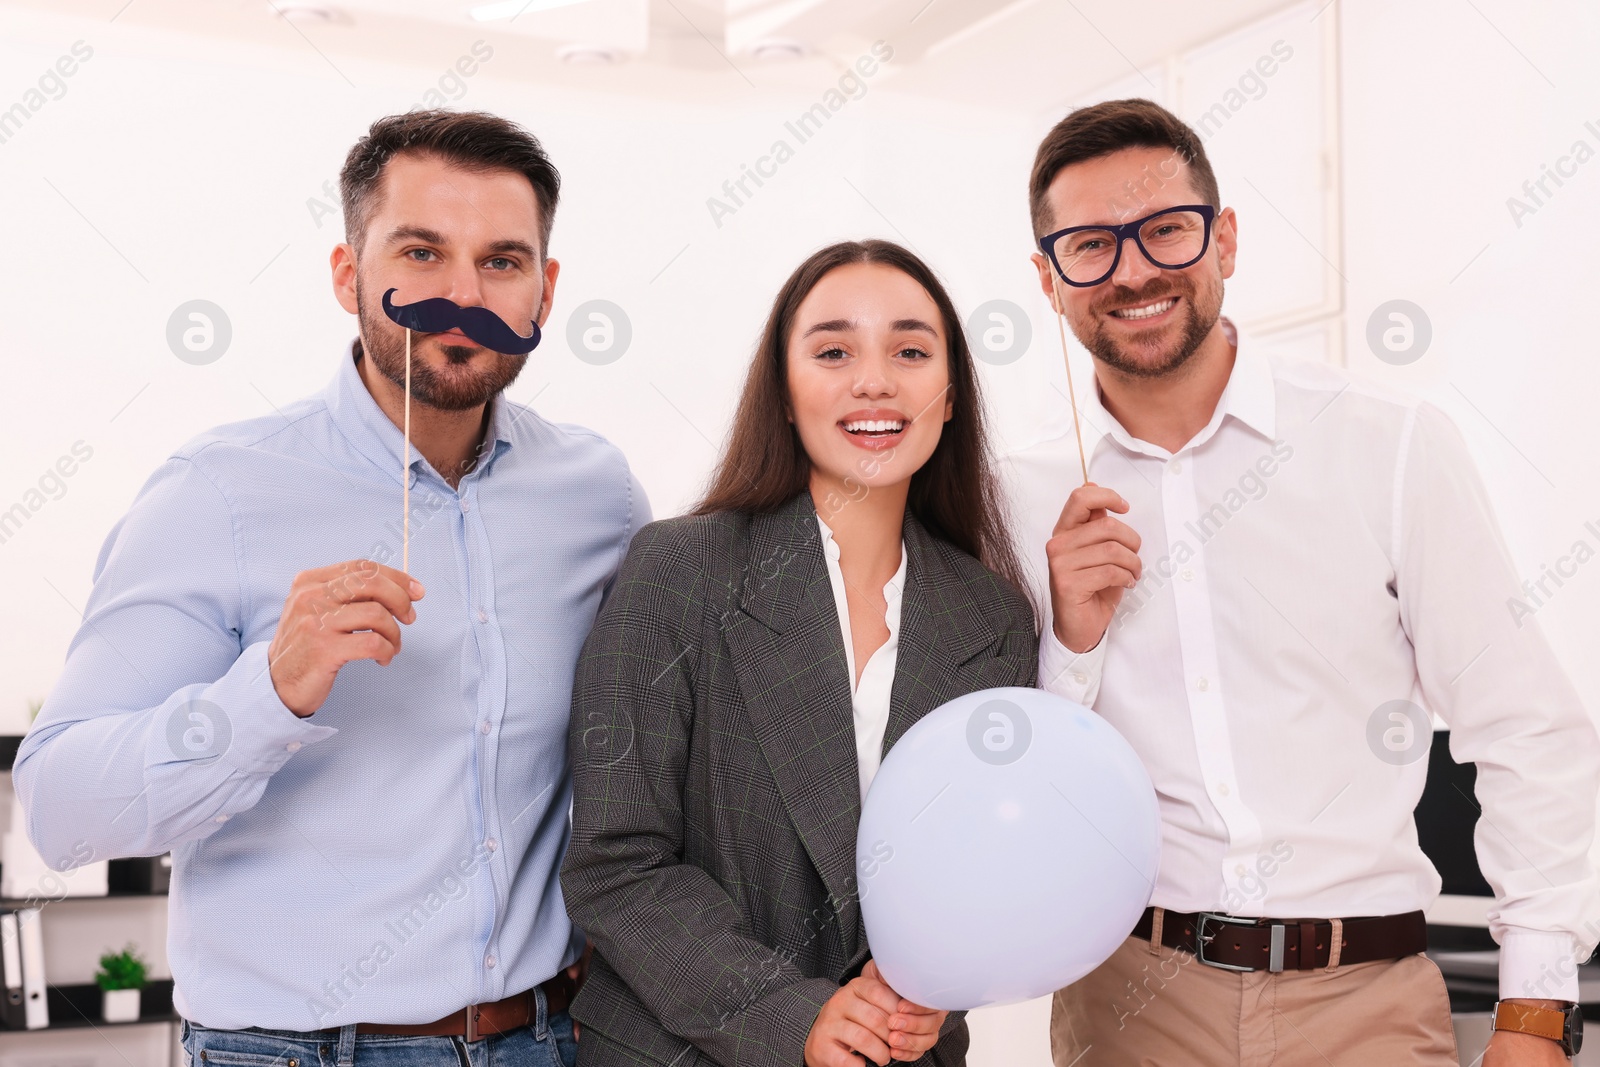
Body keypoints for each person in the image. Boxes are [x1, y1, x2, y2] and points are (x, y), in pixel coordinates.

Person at [14, 109, 647, 1067]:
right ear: (350, 272)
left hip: (546, 1042)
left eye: (503, 262)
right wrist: (265, 690)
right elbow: (60, 807)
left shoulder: (598, 497)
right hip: (293, 1052)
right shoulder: (216, 493)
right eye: (422, 251)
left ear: (545, 291)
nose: (462, 295)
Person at [1004, 98, 1600, 1066]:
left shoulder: (1387, 443)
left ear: (1225, 238)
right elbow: (1013, 778)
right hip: (1131, 1006)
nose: (1133, 269)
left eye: (1164, 229)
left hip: (1365, 1002)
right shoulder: (1014, 496)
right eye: (1089, 246)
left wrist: (1534, 1013)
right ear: (1047, 279)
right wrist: (1069, 641)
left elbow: (1525, 722)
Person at [559, 240, 1038, 1067]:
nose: (875, 381)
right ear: (783, 390)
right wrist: (790, 1016)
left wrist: (935, 989)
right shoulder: (678, 570)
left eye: (912, 351)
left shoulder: (990, 615)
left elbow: (985, 869)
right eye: (833, 351)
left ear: (950, 394)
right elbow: (616, 860)